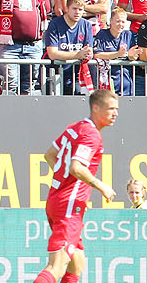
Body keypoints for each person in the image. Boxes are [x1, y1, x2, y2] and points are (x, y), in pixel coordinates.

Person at [31, 87, 120, 283]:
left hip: (58, 199)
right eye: (110, 108)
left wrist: (70, 185)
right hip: (69, 204)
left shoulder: (76, 127)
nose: (115, 113)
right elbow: (76, 167)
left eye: (116, 109)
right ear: (95, 108)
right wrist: (101, 186)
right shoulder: (92, 135)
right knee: (56, 266)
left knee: (76, 262)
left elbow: (50, 155)